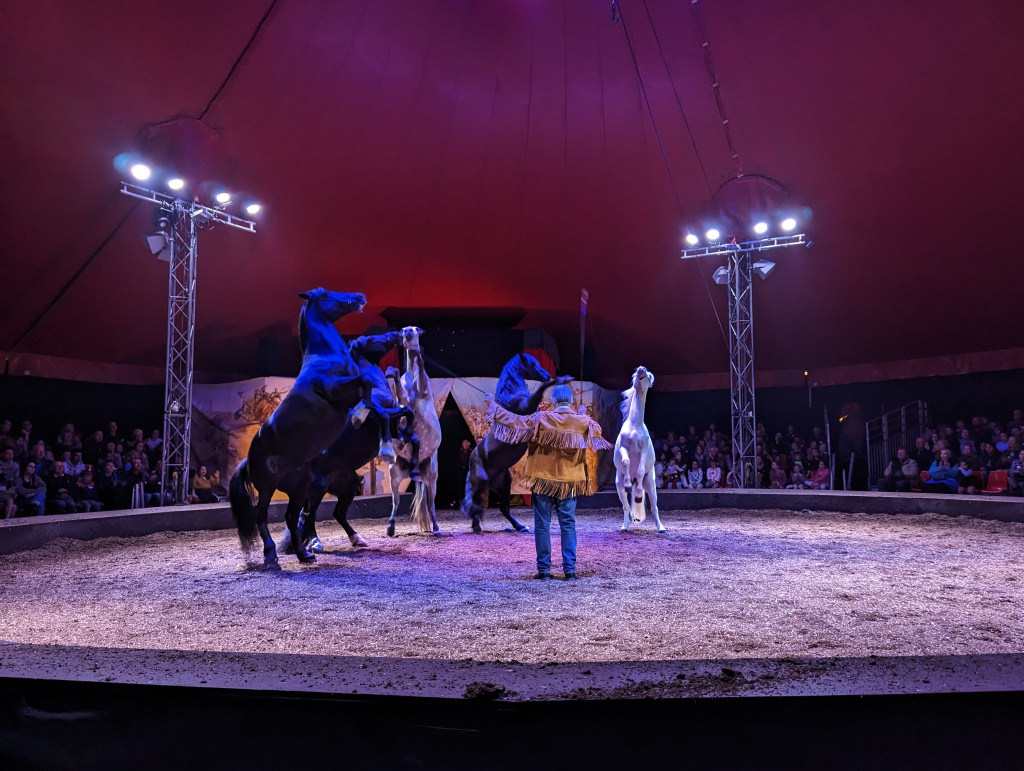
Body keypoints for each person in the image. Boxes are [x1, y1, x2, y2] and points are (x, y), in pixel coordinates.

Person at [487, 383, 609, 581]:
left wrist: (495, 408)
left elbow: (515, 422)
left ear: (552, 401)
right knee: (568, 524)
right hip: (569, 481)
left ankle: (544, 570)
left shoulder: (542, 419)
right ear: (570, 401)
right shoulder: (582, 421)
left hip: (543, 480)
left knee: (542, 525)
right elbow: (595, 431)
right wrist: (580, 414)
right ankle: (569, 570)